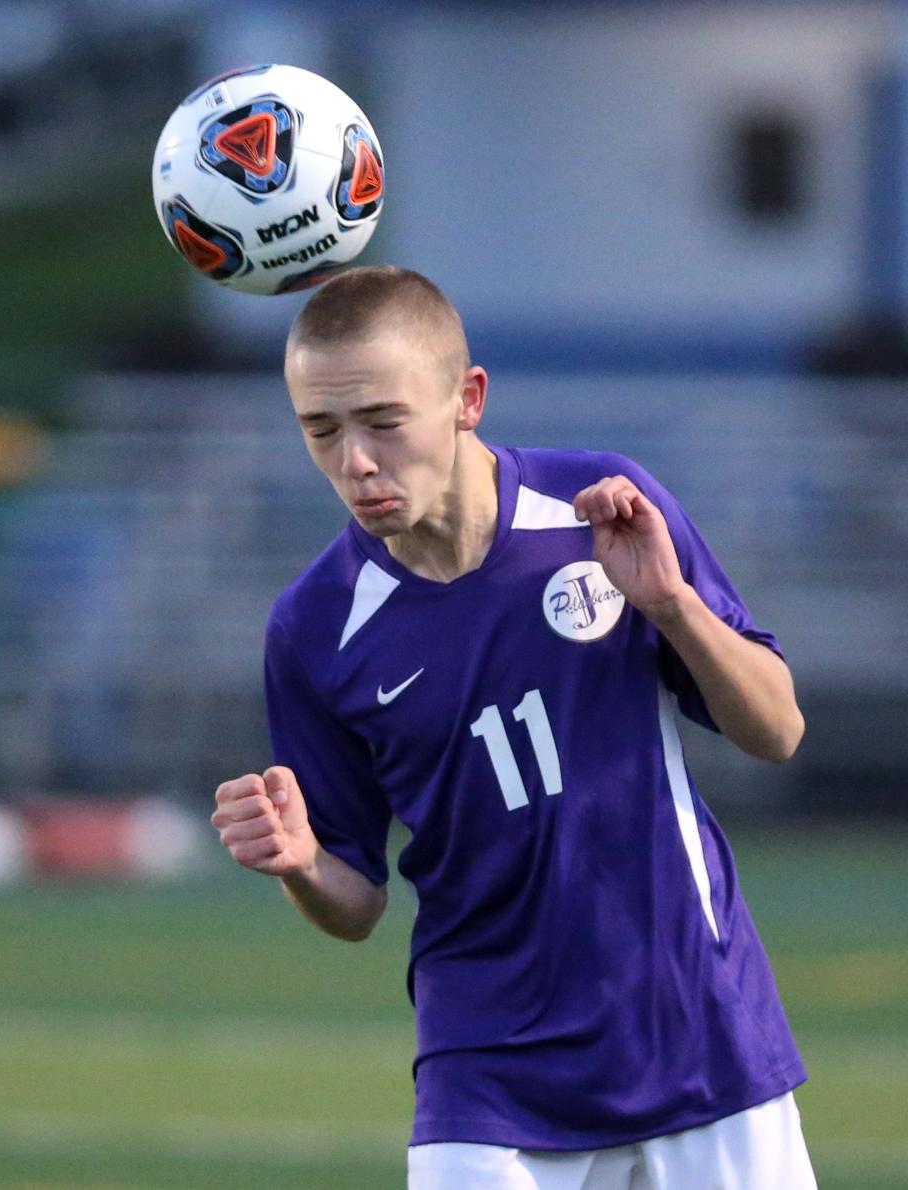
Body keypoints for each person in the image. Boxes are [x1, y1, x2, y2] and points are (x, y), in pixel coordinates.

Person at [210, 266, 816, 1189]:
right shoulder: (312, 627)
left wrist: (671, 607)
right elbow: (355, 902)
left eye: (383, 421)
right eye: (321, 430)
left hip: (699, 1025)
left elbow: (777, 730)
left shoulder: (601, 511)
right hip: (483, 1062)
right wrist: (302, 863)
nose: (356, 463)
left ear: (467, 400)